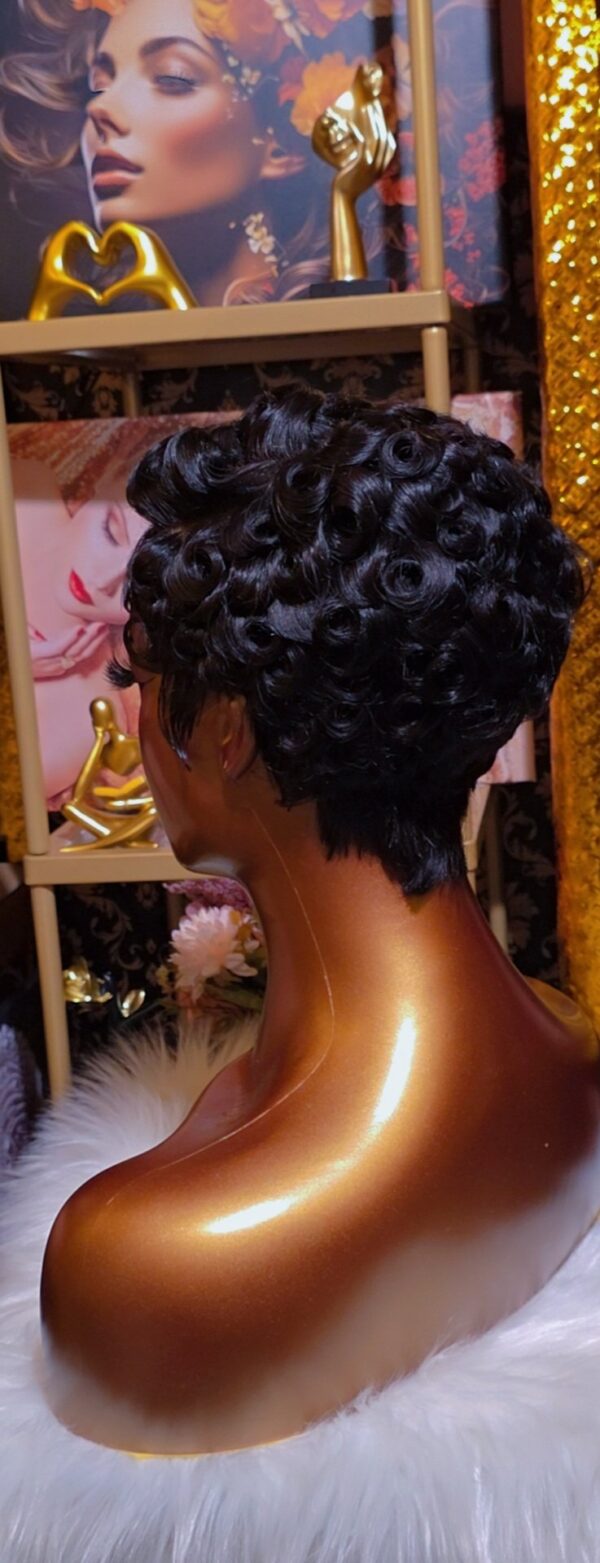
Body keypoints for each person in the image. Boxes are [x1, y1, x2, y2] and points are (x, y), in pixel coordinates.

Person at [40, 391, 600, 1457]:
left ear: (226, 728)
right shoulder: (565, 1047)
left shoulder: (142, 1264)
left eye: (136, 677)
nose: (128, 719)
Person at [12, 457, 146, 802]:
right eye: (110, 531)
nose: (101, 580)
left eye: (135, 587)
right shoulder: (23, 489)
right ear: (98, 491)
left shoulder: (90, 720)